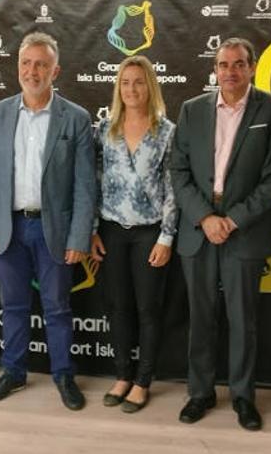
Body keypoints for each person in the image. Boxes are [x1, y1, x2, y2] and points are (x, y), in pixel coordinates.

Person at [170, 37, 271, 430]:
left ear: (252, 67)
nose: (230, 72)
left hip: (245, 231)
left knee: (243, 320)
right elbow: (178, 171)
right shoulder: (192, 111)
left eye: (238, 64)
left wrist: (233, 219)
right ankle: (200, 393)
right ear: (215, 69)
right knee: (201, 317)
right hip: (199, 230)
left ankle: (243, 397)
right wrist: (205, 217)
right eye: (223, 65)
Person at [0, 32, 95, 411]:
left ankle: (63, 374)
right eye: (26, 63)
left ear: (55, 70)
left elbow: (84, 186)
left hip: (54, 230)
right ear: (17, 68)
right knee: (12, 306)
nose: (32, 71)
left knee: (57, 307)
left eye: (41, 64)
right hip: (9, 227)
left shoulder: (75, 118)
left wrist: (80, 236)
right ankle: (13, 372)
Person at [90, 55, 177, 413]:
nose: (131, 89)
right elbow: (94, 184)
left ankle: (143, 381)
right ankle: (123, 375)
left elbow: (173, 189)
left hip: (149, 233)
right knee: (117, 308)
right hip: (111, 232)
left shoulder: (167, 131)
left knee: (148, 310)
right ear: (118, 88)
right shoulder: (104, 130)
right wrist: (93, 230)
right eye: (125, 83)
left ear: (150, 86)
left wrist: (166, 237)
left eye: (138, 82)